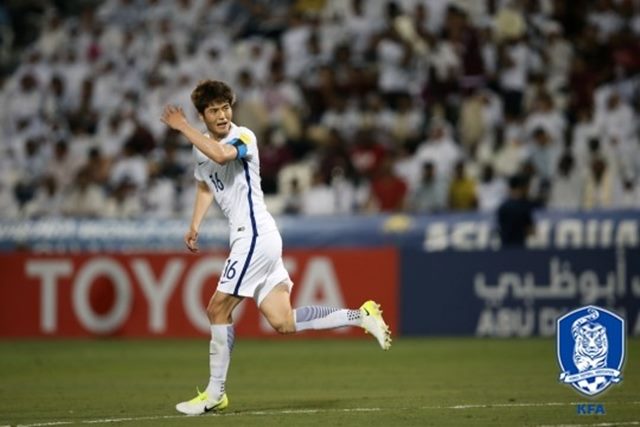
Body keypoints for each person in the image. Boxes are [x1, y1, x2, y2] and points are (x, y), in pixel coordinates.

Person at [160, 80, 391, 416]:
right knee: (282, 321)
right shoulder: (201, 148)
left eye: (226, 107)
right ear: (203, 115)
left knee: (217, 310)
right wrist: (194, 224)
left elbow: (222, 154)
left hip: (253, 235)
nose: (223, 115)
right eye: (214, 110)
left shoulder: (243, 137)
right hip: (256, 237)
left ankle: (215, 393)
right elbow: (205, 184)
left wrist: (182, 127)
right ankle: (361, 315)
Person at [496, 174, 536, 247]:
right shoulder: (524, 206)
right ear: (521, 188)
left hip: (504, 248)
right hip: (519, 248)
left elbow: (499, 229)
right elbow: (530, 230)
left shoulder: (502, 207)